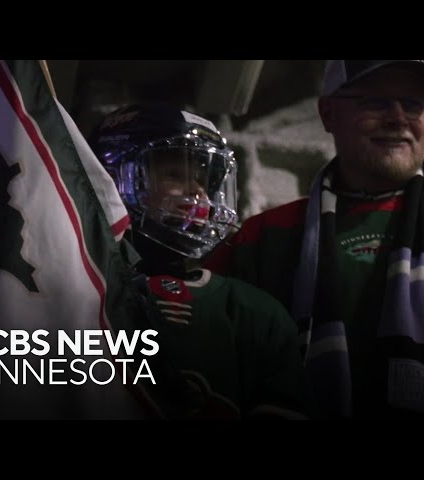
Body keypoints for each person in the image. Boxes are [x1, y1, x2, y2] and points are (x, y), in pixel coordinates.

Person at [205, 60, 424, 420]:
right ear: (328, 113)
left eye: (413, 104)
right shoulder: (263, 237)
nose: (399, 118)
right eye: (376, 102)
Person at [88, 102, 311, 419]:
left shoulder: (254, 313)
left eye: (204, 182)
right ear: (113, 178)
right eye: (175, 174)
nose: (197, 193)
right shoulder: (80, 288)